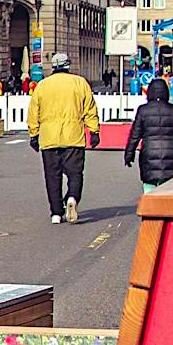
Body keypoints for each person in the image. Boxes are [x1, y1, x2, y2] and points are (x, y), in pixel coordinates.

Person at [25, 50, 100, 224]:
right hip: (73, 136)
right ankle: (72, 198)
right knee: (75, 174)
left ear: (53, 67)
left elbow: (33, 112)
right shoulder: (80, 83)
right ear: (68, 65)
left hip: (49, 138)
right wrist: (94, 131)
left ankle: (56, 213)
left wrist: (34, 134)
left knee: (52, 176)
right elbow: (90, 109)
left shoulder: (42, 86)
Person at [123, 76, 173, 191]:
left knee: (149, 185)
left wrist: (129, 155)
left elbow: (134, 136)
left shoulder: (143, 110)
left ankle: (149, 205)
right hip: (169, 155)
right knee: (167, 190)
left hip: (148, 155)